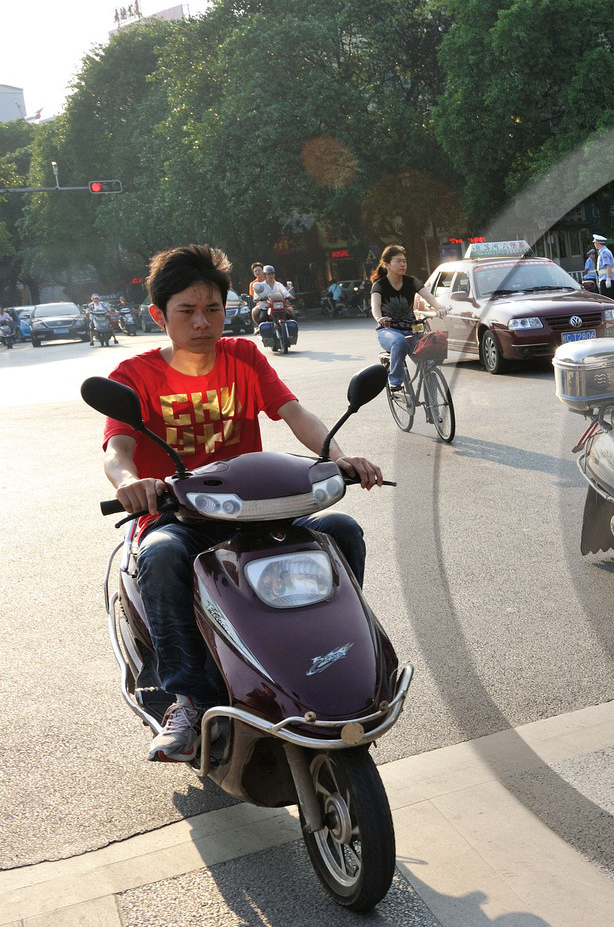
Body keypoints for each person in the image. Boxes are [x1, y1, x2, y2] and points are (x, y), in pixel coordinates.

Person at [100, 245, 384, 762]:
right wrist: (130, 482)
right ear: (158, 315)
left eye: (213, 310)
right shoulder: (134, 374)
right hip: (178, 516)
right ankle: (188, 699)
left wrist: (339, 457)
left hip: (257, 510)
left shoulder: (245, 357)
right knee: (162, 555)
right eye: (187, 311)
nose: (203, 323)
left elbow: (294, 412)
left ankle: (334, 661)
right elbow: (117, 449)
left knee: (341, 531)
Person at [369, 245, 443, 391]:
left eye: (404, 261)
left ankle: (435, 410)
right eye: (398, 261)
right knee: (399, 341)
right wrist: (380, 319)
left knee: (428, 364)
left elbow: (428, 297)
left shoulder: (412, 281)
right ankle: (395, 381)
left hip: (411, 329)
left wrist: (439, 307)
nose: (403, 264)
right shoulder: (379, 285)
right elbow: (375, 307)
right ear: (387, 265)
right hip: (388, 331)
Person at [251, 265, 295, 335]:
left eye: (272, 273)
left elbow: (285, 293)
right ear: (265, 275)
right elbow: (256, 296)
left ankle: (291, 333)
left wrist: (290, 296)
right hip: (266, 307)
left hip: (279, 307)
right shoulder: (260, 285)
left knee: (290, 316)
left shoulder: (278, 284)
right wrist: (258, 298)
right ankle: (262, 331)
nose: (271, 276)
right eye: (269, 274)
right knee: (262, 320)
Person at [594, 233, 614, 298]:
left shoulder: (604, 253)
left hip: (606, 279)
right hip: (605, 279)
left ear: (597, 243)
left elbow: (608, 266)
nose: (595, 244)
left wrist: (608, 279)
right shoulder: (604, 251)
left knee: (607, 299)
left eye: (595, 243)